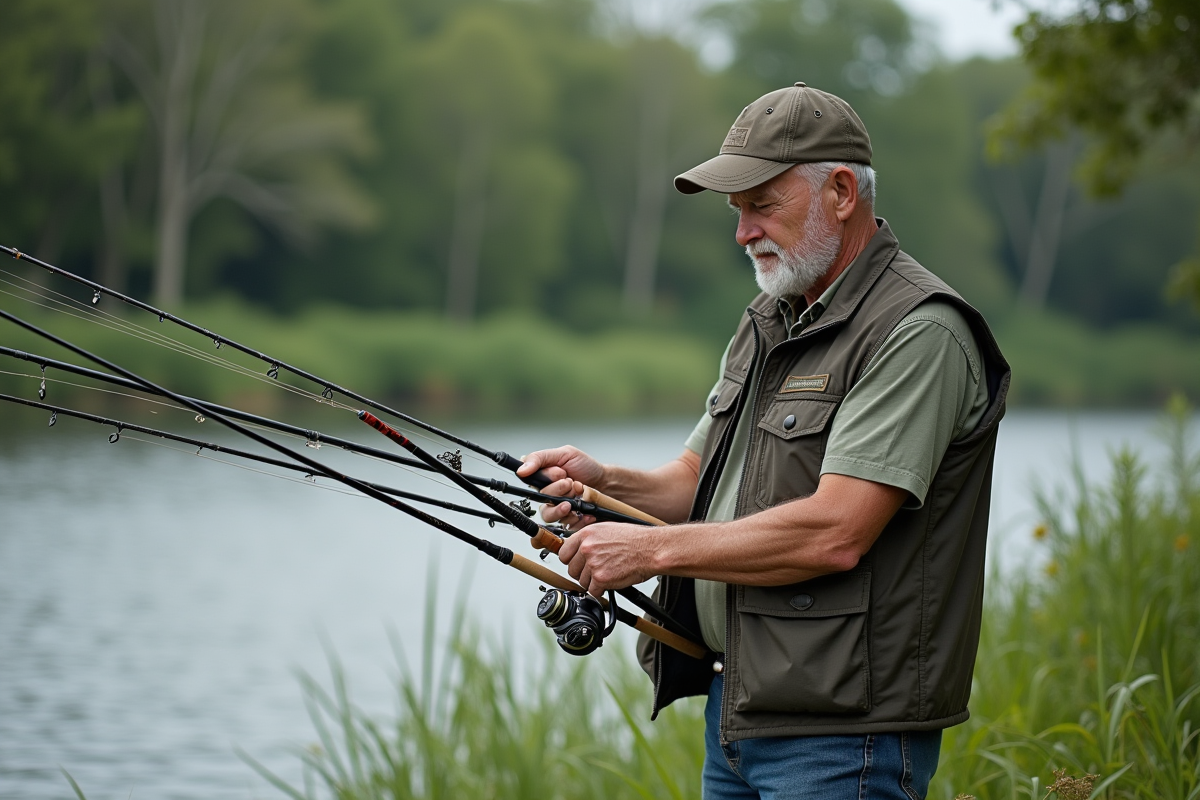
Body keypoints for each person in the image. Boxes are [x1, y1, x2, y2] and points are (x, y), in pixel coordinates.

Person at [518, 83, 1011, 800]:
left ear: (841, 192)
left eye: (763, 206)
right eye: (737, 211)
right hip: (741, 712)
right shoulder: (770, 317)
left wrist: (649, 550)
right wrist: (606, 486)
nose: (743, 233)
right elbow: (699, 478)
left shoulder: (920, 331)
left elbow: (835, 532)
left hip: (845, 735)